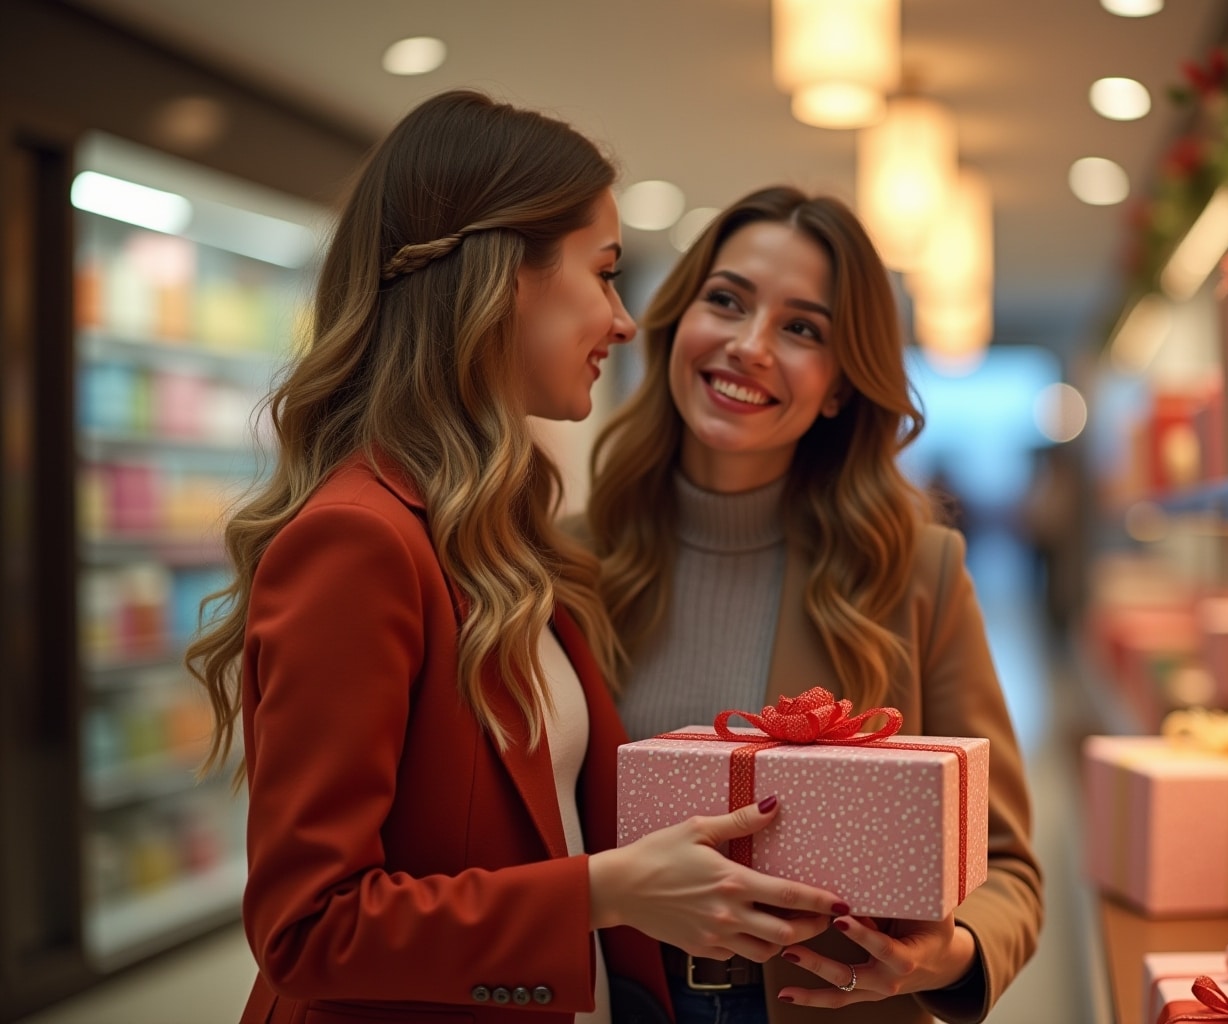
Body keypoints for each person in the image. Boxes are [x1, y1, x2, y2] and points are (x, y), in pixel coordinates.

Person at [186, 92, 848, 1024]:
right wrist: (603, 891)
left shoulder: (501, 532)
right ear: (507, 280)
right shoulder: (360, 540)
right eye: (605, 273)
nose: (625, 323)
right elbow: (307, 928)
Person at [578, 186, 1044, 1024]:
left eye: (802, 329)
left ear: (838, 386)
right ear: (677, 322)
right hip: (615, 1000)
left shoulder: (916, 572)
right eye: (725, 301)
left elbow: (1007, 866)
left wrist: (951, 952)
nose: (750, 346)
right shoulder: (562, 563)